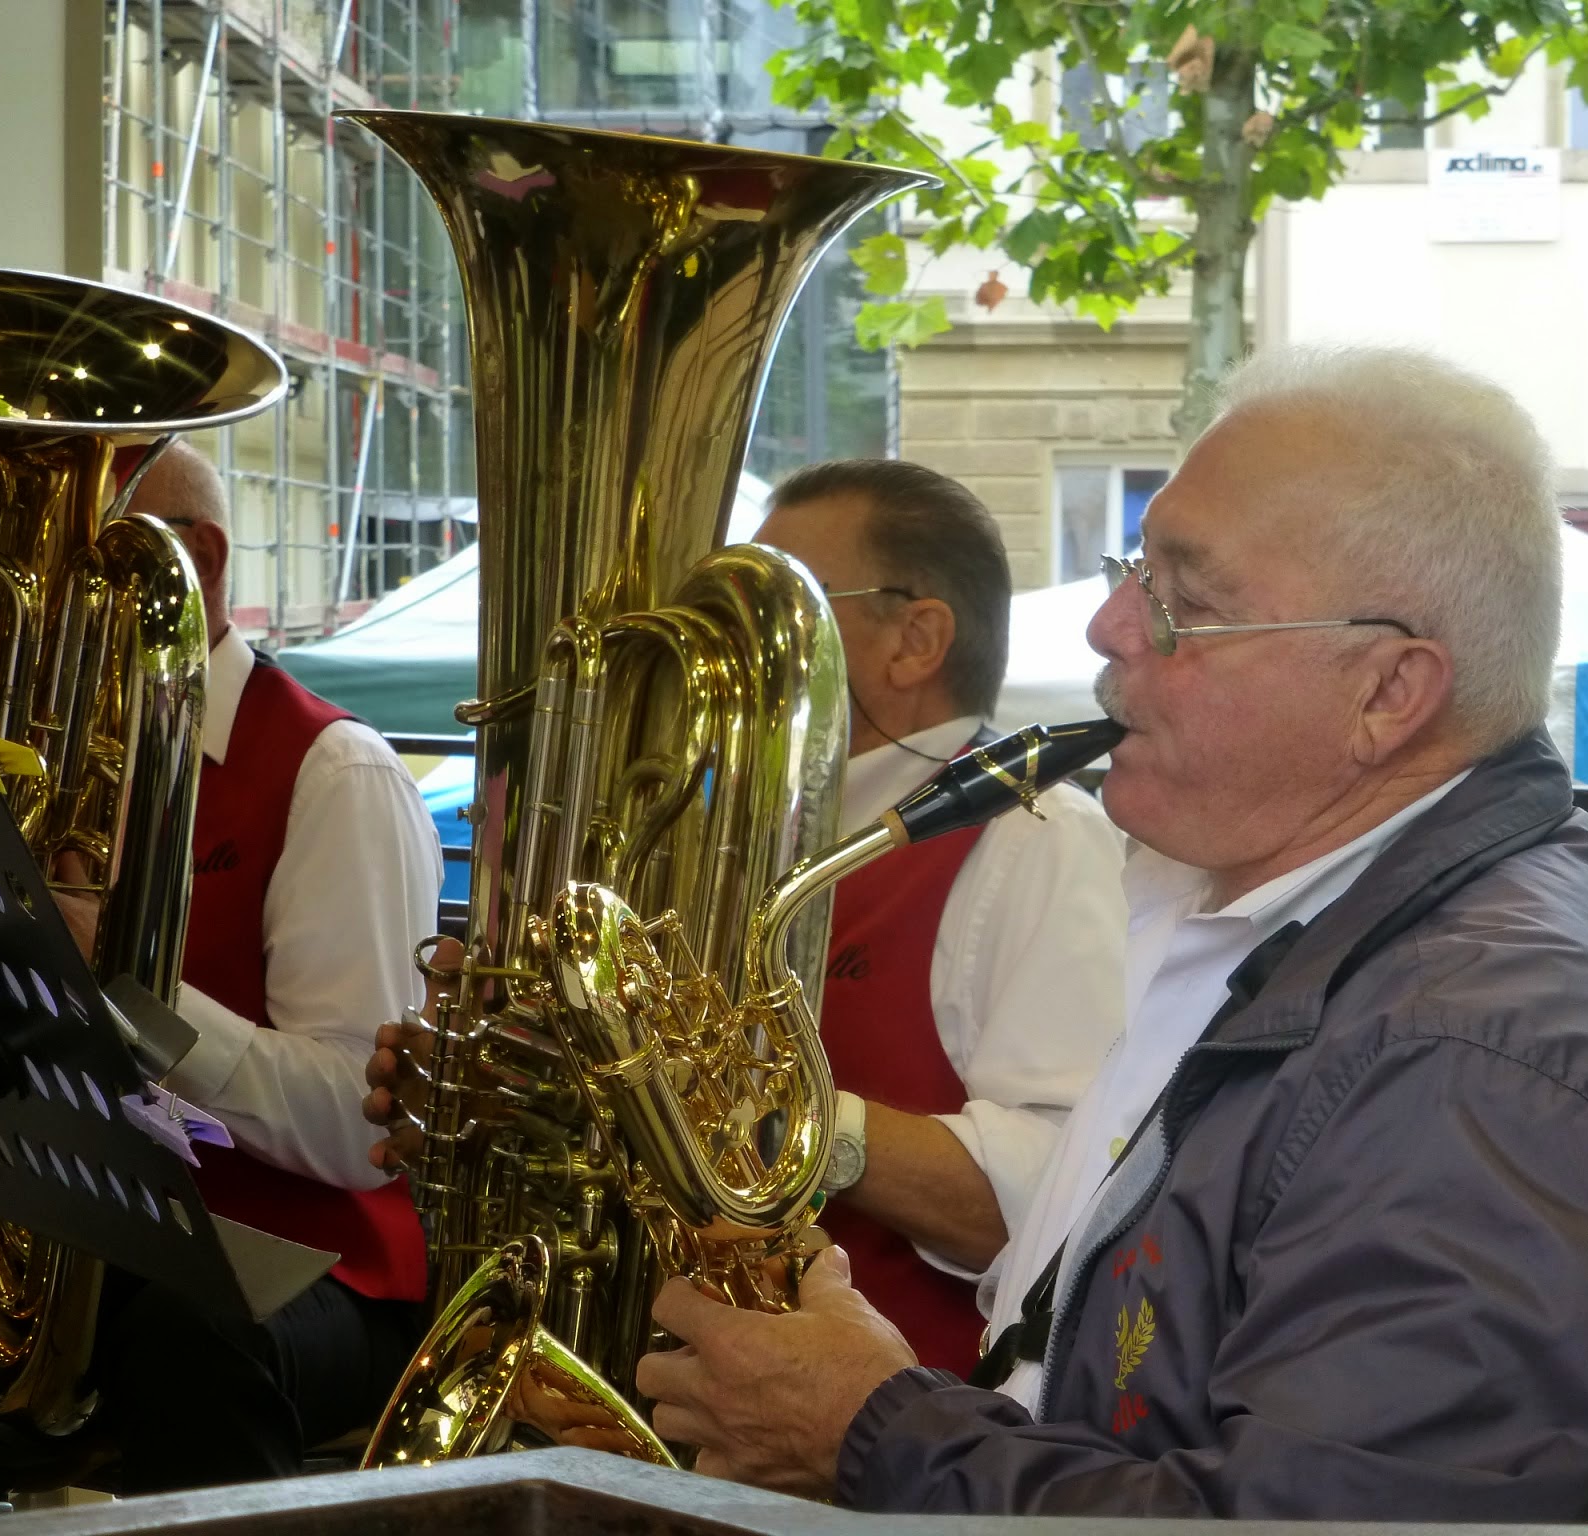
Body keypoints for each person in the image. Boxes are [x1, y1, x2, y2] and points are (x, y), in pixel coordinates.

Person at [628, 345, 1588, 1520]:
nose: (1105, 626)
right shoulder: (1279, 905)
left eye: (1183, 602)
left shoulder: (1477, 1059)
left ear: (1388, 693)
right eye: (1133, 567)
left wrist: (870, 1430)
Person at [365, 459, 1128, 1378]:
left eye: (781, 611)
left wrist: (774, 1118)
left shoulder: (1037, 841)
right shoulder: (696, 828)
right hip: (625, 1380)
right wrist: (490, 1094)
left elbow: (1060, 1193)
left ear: (916, 639)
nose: (725, 644)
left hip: (864, 1458)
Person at [54, 442, 442, 1492]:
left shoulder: (333, 770)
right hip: (101, 1233)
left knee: (190, 1333)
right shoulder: (48, 758)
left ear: (200, 561)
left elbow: (359, 1130)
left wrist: (125, 986)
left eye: (68, 573)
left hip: (322, 1267)